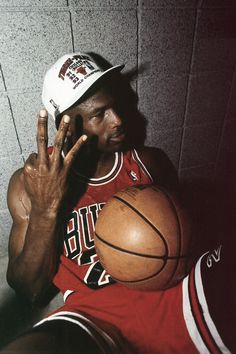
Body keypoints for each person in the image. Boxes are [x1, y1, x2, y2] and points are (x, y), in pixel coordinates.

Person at [1, 53, 234, 353]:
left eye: (117, 106)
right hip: (92, 313)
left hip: (177, 292)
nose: (119, 120)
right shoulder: (28, 182)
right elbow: (28, 290)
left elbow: (187, 235)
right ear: (68, 127)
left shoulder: (149, 162)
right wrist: (46, 209)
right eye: (101, 114)